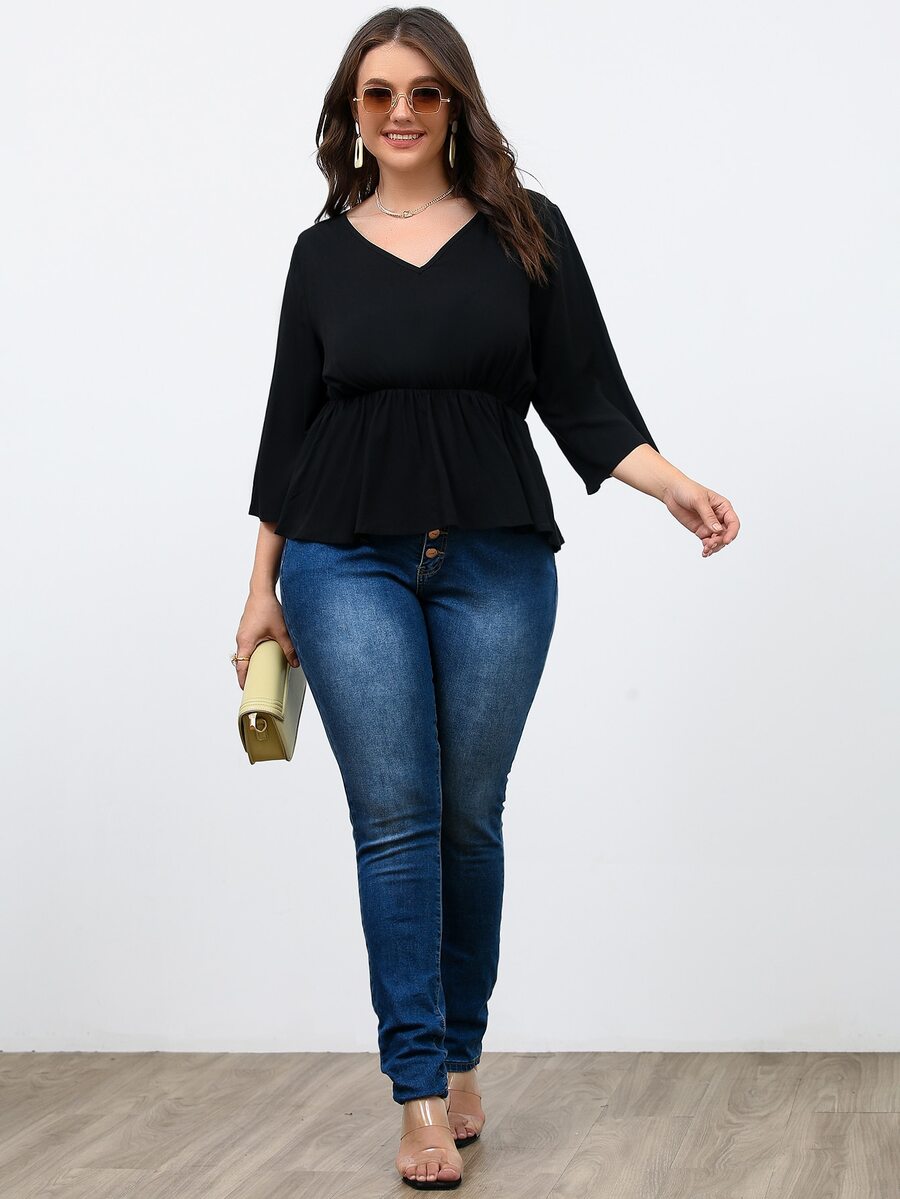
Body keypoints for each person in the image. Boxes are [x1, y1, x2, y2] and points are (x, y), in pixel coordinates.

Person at [234, 8, 740, 1190]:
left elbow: (587, 397)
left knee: (468, 815)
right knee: (395, 818)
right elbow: (286, 430)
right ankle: (417, 1089)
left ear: (457, 104)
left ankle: (462, 1056)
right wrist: (259, 587)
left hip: (497, 559)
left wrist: (674, 484)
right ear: (351, 113)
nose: (401, 112)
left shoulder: (525, 231)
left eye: (426, 91)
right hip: (341, 556)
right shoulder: (320, 254)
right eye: (378, 94)